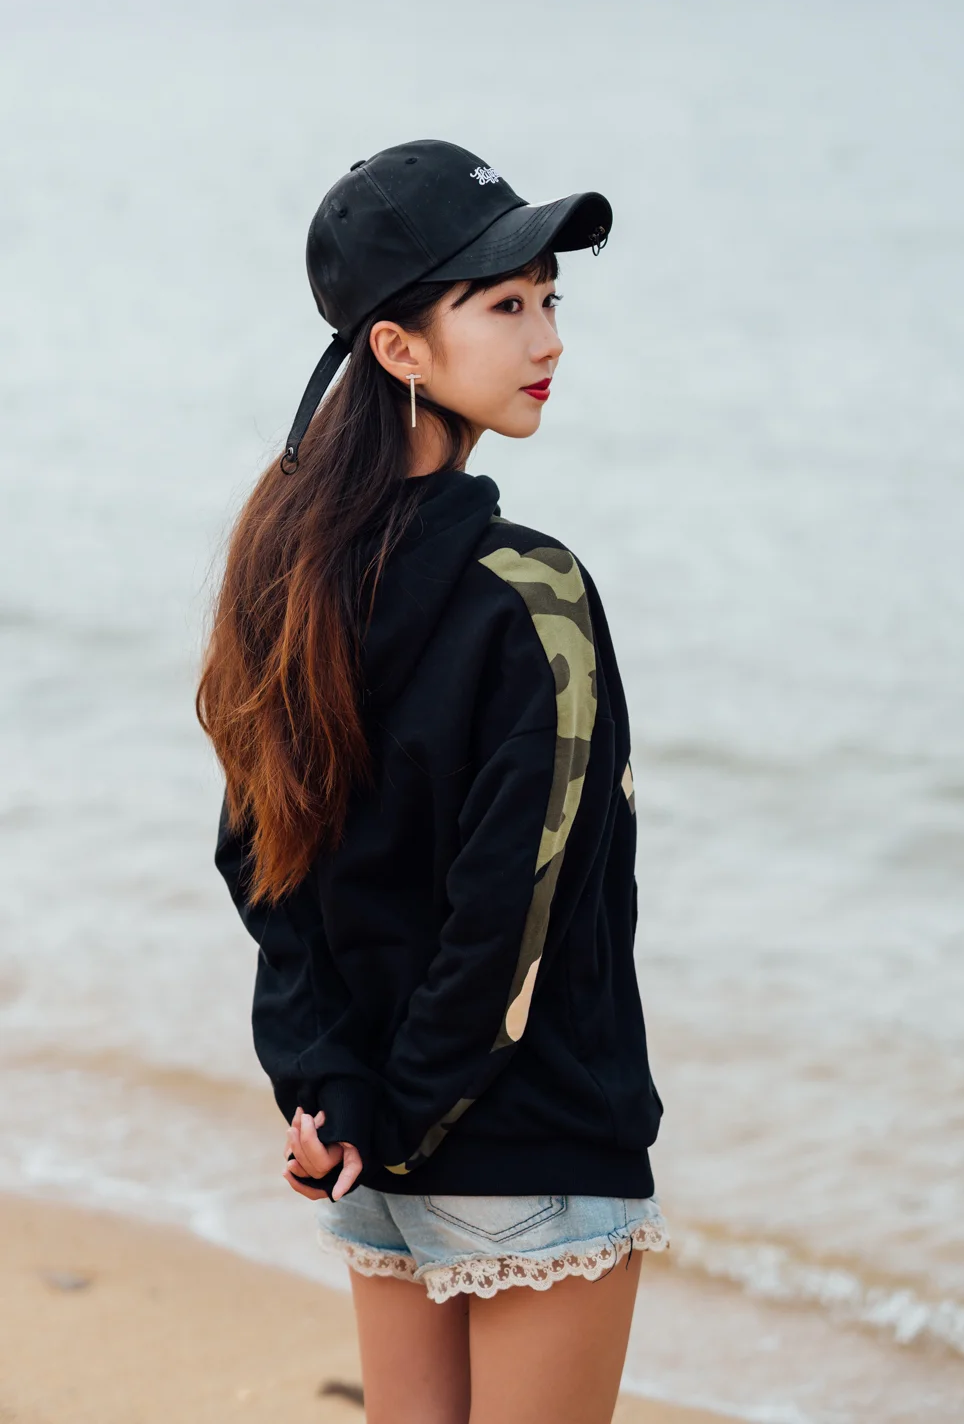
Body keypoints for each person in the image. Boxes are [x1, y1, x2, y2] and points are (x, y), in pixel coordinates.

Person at [197, 140, 667, 1424]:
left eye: (550, 298)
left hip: (372, 1154)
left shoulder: (285, 575)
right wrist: (395, 1111)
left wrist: (335, 1096)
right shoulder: (534, 590)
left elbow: (264, 869)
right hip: (528, 1138)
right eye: (504, 304)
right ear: (398, 347)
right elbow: (511, 916)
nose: (548, 339)